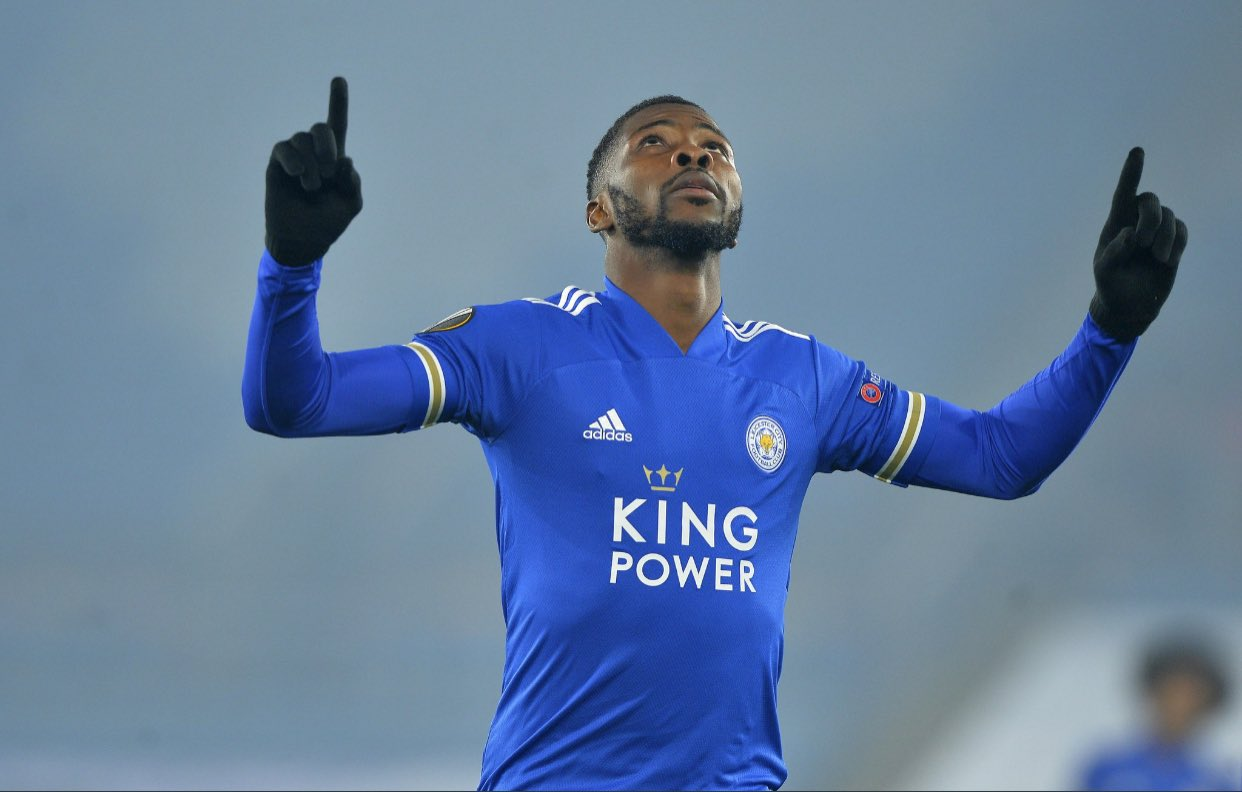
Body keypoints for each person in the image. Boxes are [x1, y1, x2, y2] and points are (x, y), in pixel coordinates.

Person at [243, 77, 1188, 790]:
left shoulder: (802, 378)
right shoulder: (519, 347)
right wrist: (292, 263)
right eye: (656, 144)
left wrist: (1109, 331)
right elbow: (297, 402)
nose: (693, 157)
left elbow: (1001, 457)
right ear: (598, 208)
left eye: (714, 150)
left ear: (736, 202)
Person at [1080, 637, 1233, 791]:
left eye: (1191, 697)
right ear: (1152, 694)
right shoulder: (1108, 769)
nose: (1179, 705)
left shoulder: (1216, 779)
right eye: (1171, 693)